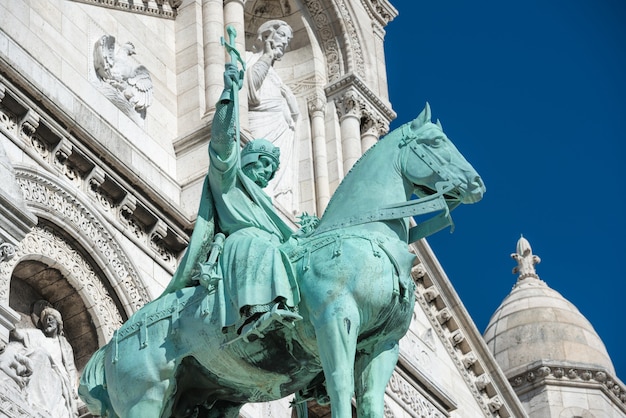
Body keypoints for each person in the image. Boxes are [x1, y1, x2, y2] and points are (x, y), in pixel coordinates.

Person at [209, 63, 302, 341]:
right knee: (266, 248)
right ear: (247, 160)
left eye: (270, 170)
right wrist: (229, 95)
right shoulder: (229, 179)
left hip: (269, 244)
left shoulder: (266, 203)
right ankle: (253, 315)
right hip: (244, 243)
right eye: (261, 165)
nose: (265, 173)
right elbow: (222, 142)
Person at [246, 20, 300, 212]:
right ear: (267, 34)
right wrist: (267, 57)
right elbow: (248, 91)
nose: (285, 42)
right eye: (282, 35)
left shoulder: (278, 77)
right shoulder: (250, 59)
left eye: (288, 39)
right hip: (259, 126)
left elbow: (295, 114)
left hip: (281, 133)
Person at [10, 306, 78, 417]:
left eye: (50, 319)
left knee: (45, 362)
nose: (48, 322)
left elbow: (70, 367)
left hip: (59, 375)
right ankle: (34, 400)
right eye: (45, 320)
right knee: (40, 355)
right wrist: (10, 325)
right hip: (39, 367)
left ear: (58, 322)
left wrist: (73, 387)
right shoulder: (38, 334)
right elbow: (19, 334)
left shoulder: (64, 344)